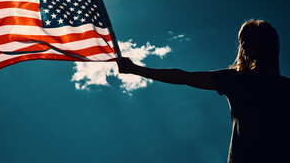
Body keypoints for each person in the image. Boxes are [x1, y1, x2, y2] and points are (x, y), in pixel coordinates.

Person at [117, 19, 289, 163]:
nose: (244, 45)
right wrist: (136, 69)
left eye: (251, 38)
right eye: (242, 40)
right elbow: (184, 77)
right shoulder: (235, 80)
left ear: (268, 43)